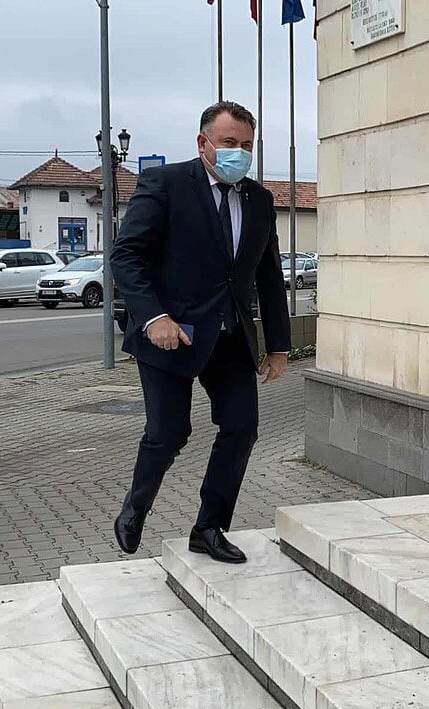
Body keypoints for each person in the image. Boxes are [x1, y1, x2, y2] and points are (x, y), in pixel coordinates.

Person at [111, 101, 290, 564]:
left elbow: (269, 275)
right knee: (168, 433)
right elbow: (126, 257)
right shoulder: (165, 184)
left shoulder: (259, 200)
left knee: (242, 429)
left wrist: (279, 346)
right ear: (203, 143)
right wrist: (154, 317)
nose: (239, 153)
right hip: (170, 333)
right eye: (229, 143)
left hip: (230, 336)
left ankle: (209, 527)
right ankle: (136, 507)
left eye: (246, 145)